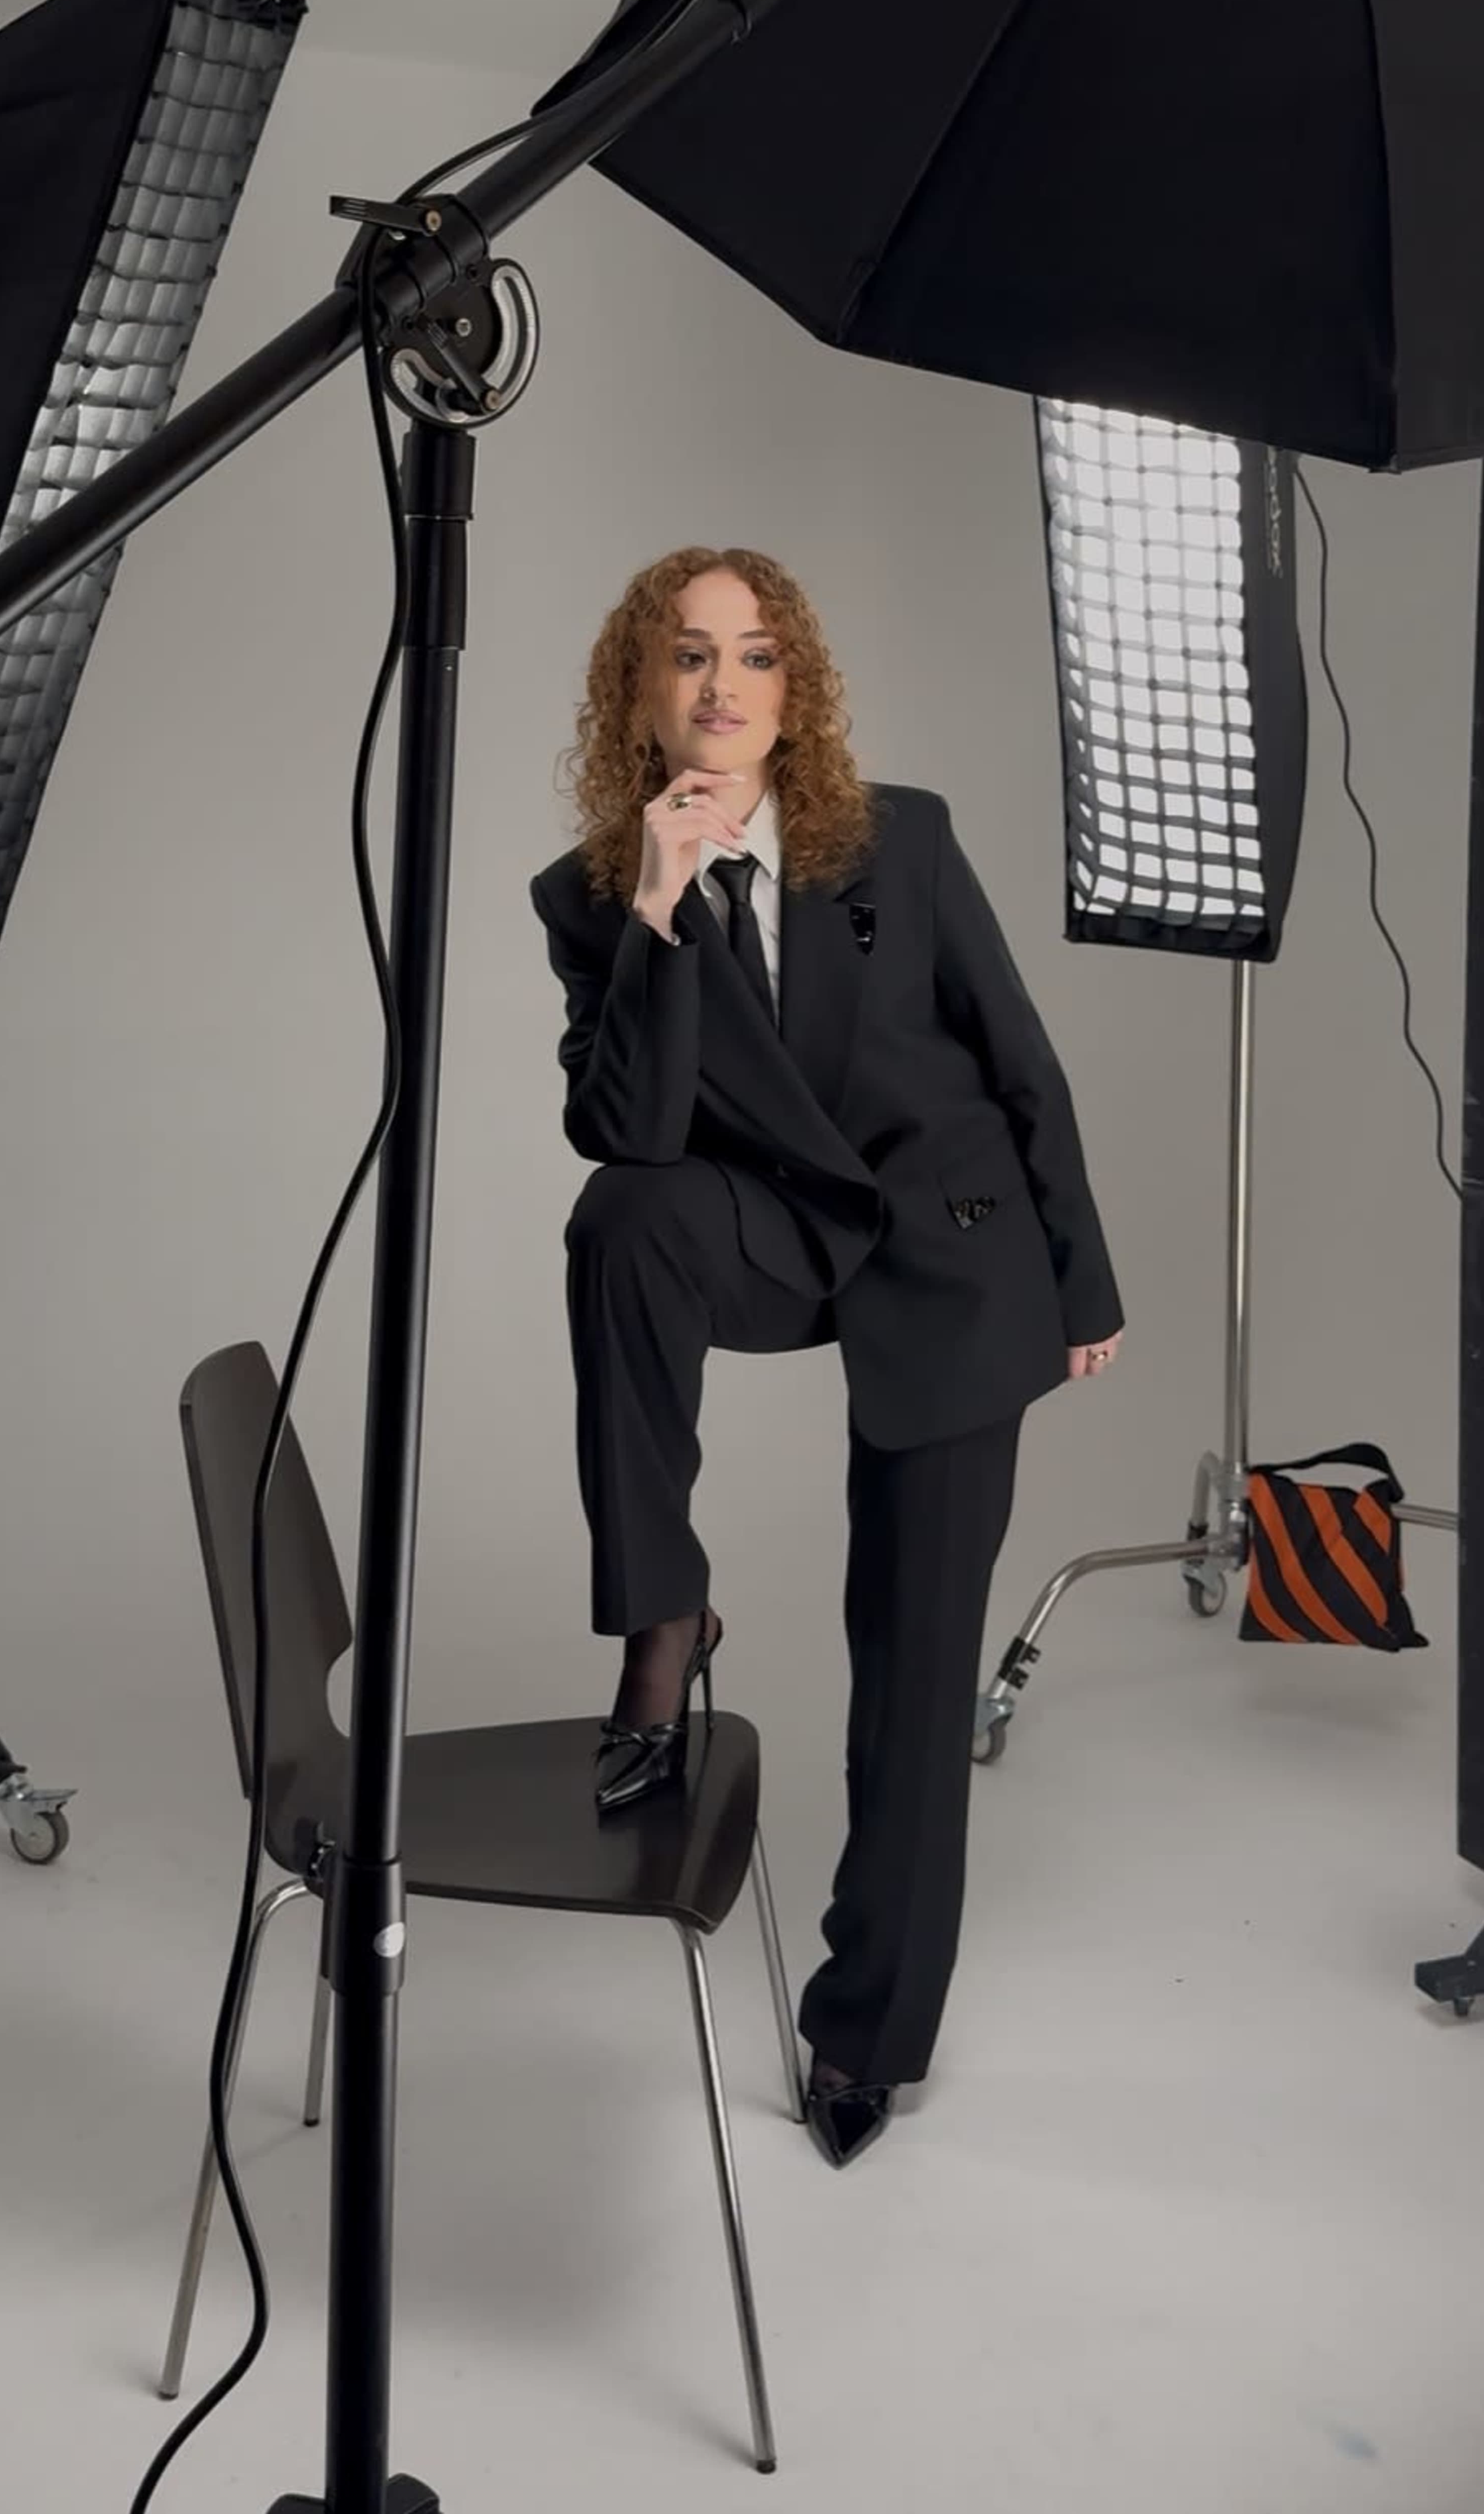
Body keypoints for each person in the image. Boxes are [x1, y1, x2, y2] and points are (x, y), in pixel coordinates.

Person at [530, 545, 1122, 2169]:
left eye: (757, 655)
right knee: (621, 1218)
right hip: (781, 1227)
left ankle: (868, 2032)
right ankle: (665, 1611)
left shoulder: (899, 839)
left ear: (797, 691)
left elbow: (1021, 1057)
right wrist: (658, 907)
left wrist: (1080, 1277)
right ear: (640, 692)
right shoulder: (591, 894)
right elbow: (629, 1129)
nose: (723, 685)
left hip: (950, 1245)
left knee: (913, 1667)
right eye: (689, 654)